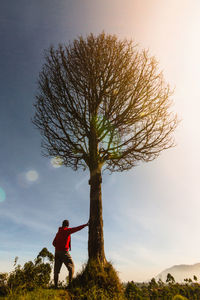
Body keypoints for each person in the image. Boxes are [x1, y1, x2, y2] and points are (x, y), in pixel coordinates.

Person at [52, 219, 88, 288]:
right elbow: (76, 229)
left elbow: (53, 243)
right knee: (71, 267)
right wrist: (85, 225)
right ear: (67, 225)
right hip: (64, 252)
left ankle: (55, 286)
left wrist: (58, 247)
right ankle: (70, 284)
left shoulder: (58, 232)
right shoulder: (67, 230)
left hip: (57, 252)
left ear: (62, 224)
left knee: (56, 270)